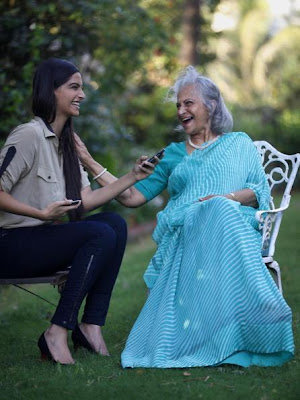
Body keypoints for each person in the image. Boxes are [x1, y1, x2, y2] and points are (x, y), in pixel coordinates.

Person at [77, 65, 294, 368]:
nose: (181, 110)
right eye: (179, 104)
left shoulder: (239, 143)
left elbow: (257, 192)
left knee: (218, 209)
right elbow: (130, 197)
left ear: (211, 105)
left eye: (188, 102)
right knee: (210, 212)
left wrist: (223, 199)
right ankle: (231, 324)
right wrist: (88, 160)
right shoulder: (172, 155)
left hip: (232, 225)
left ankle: (251, 321)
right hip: (186, 232)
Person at [0, 58, 158, 365]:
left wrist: (133, 177)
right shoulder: (28, 135)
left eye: (82, 88)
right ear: (52, 91)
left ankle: (90, 325)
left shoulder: (66, 144)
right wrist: (40, 213)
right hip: (11, 243)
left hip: (42, 239)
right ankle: (57, 331)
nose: (82, 95)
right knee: (100, 231)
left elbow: (84, 200)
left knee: (114, 223)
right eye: (74, 87)